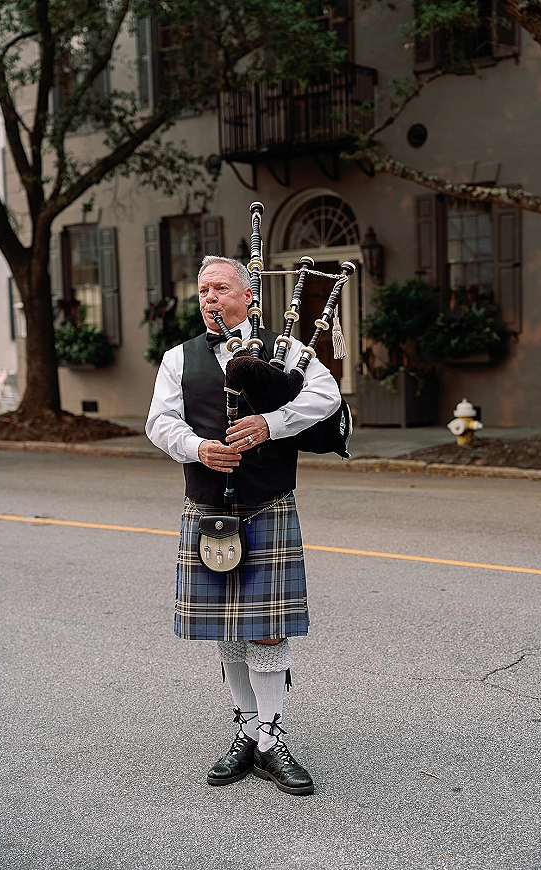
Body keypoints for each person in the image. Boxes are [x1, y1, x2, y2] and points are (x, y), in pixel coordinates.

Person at [146, 255, 341, 796]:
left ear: (249, 296)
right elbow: (159, 422)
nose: (210, 298)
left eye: (222, 289)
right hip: (209, 509)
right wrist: (198, 448)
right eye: (203, 290)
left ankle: (271, 742)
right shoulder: (178, 358)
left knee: (268, 628)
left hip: (267, 502)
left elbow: (327, 398)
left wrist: (272, 423)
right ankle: (249, 732)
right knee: (228, 629)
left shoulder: (287, 352)